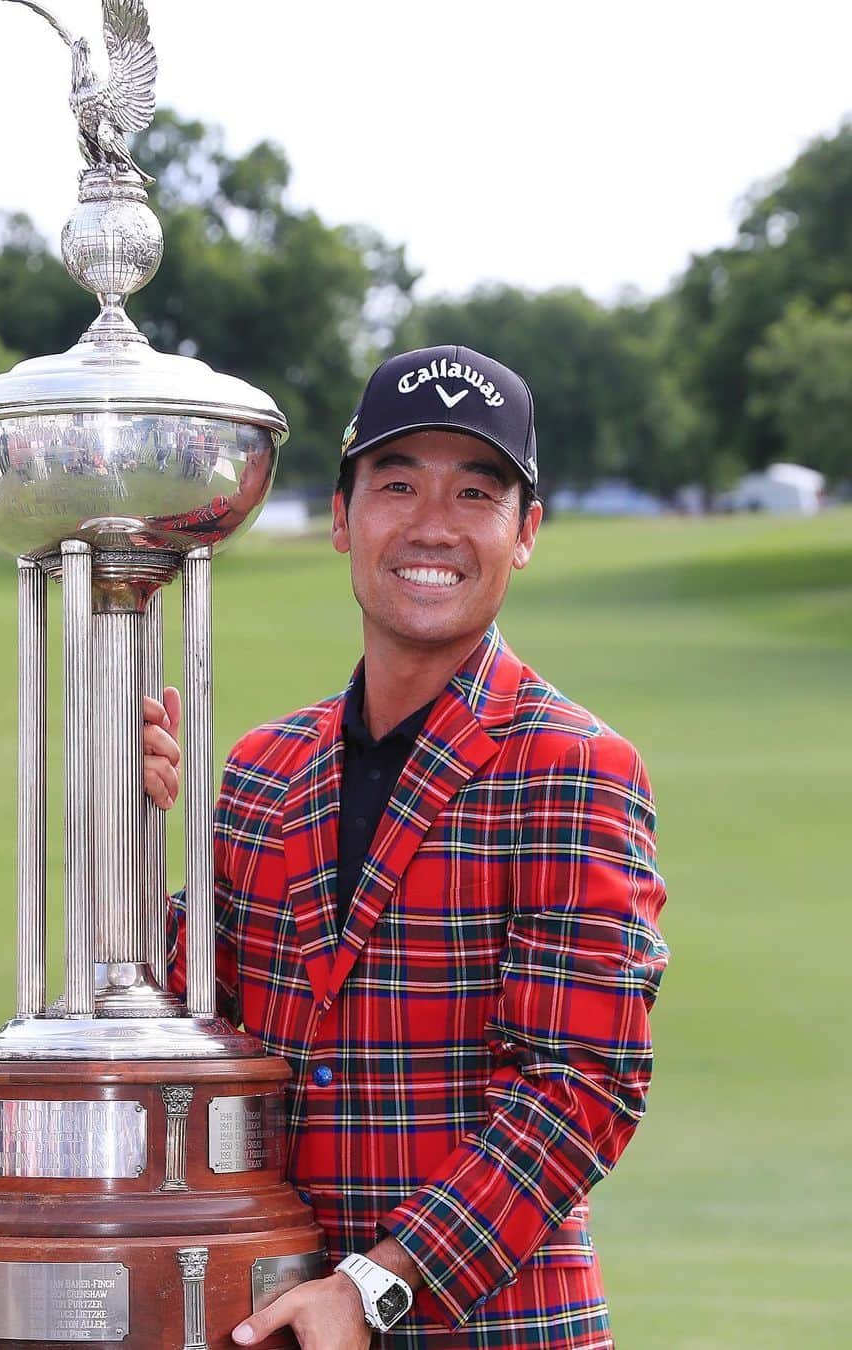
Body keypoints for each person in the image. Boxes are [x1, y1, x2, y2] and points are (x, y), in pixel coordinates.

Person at [144, 345, 669, 1349]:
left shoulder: (574, 764)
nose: (434, 524)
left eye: (477, 491)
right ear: (343, 516)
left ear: (525, 535)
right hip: (275, 1314)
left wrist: (378, 1284)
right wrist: (133, 838)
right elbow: (199, 1025)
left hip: (496, 1327)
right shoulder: (263, 770)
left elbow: (582, 1083)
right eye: (397, 484)